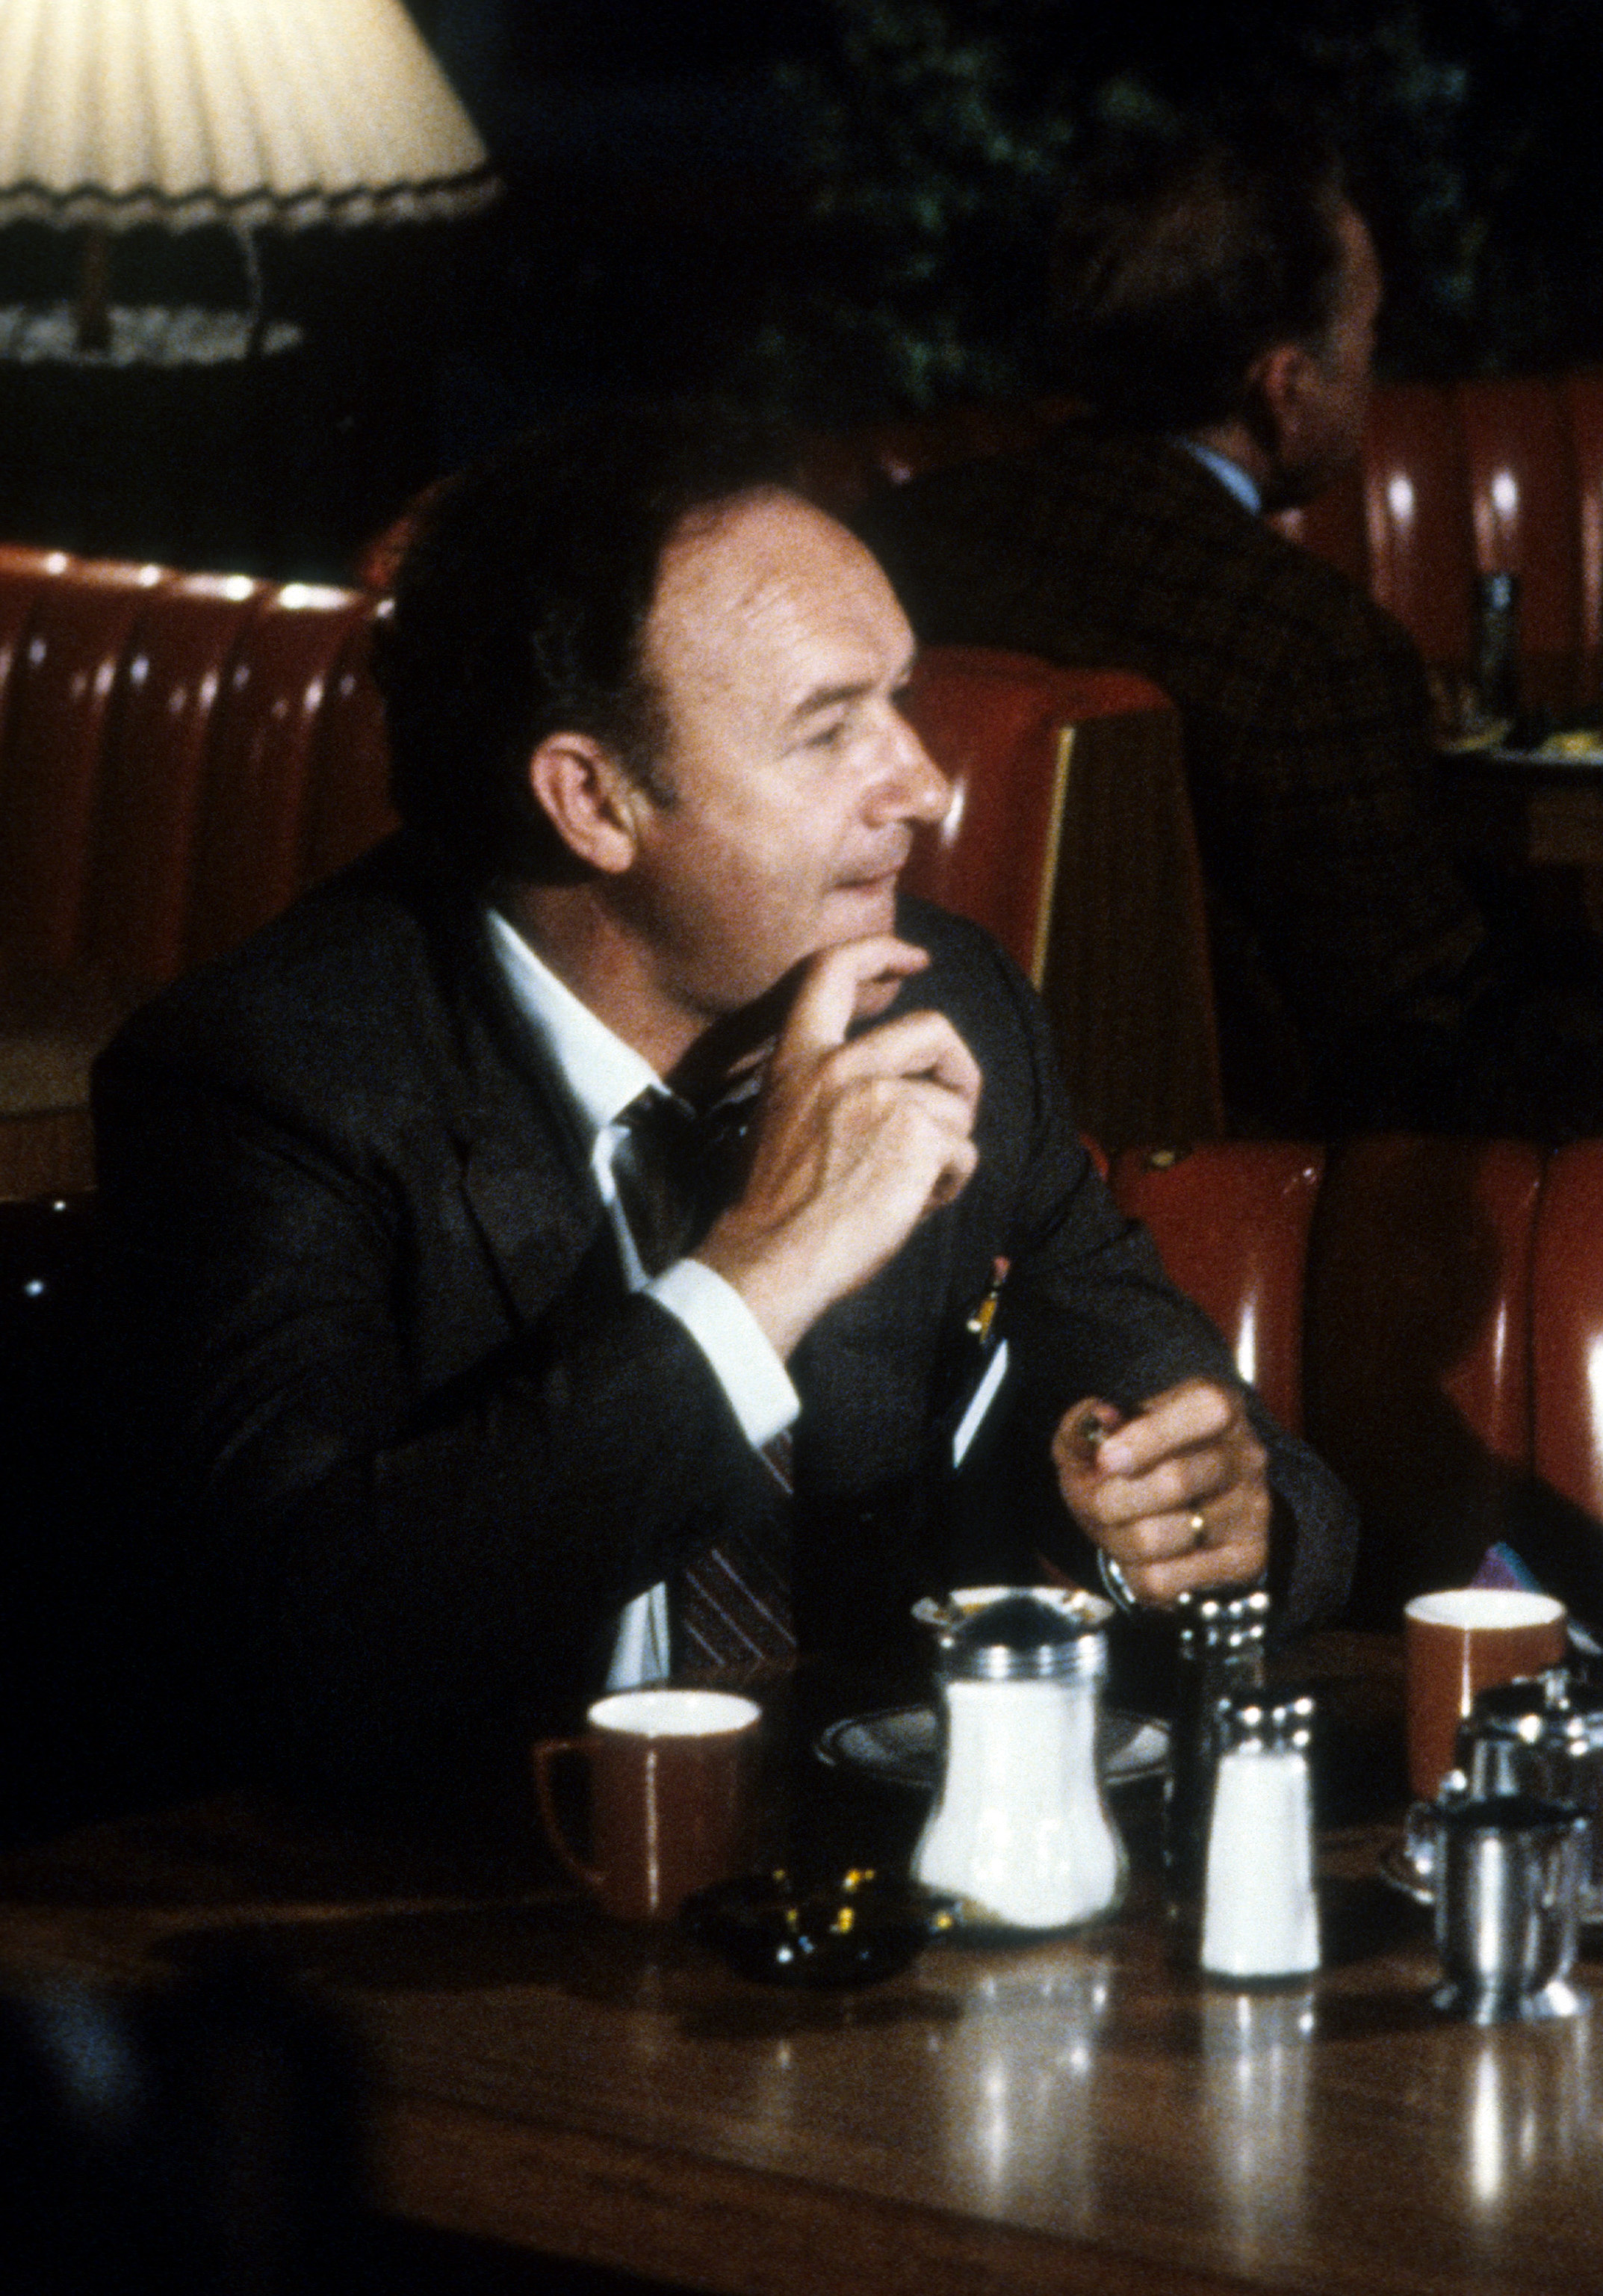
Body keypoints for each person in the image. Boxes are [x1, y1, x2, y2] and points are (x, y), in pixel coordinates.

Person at [94, 404, 1353, 1811]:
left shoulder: (951, 1007)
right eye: (827, 734)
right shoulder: (271, 1078)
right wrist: (763, 1271)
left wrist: (1208, 1520)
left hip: (859, 1914)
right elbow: (302, 1635)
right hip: (438, 1928)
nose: (926, 788)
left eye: (902, 701)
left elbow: (1257, 1477)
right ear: (593, 800)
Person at [860, 111, 1506, 1133]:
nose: (1371, 373)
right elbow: (1413, 1029)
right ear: (1284, 388)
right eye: (1367, 339)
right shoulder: (1309, 643)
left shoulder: (889, 542)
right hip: (1228, 1194)